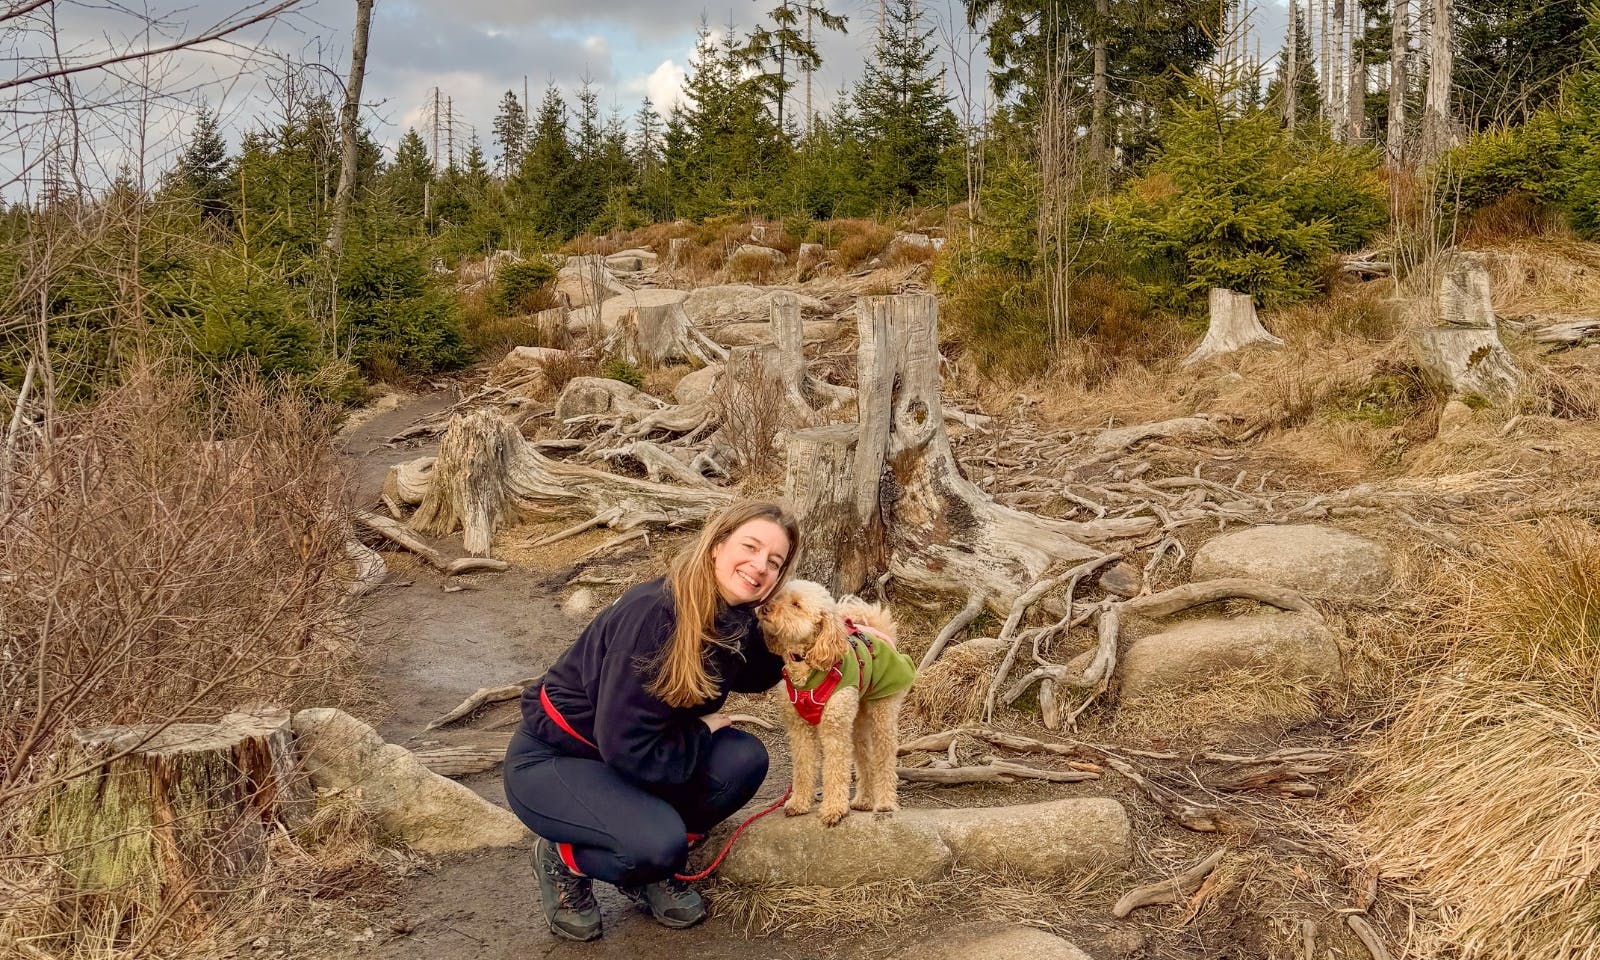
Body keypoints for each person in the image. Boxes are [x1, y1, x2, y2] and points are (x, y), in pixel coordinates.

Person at [503, 500, 799, 941]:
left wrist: (807, 642)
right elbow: (628, 748)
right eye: (750, 547)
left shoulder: (730, 614)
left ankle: (650, 861)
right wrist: (699, 732)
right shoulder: (656, 616)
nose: (759, 567)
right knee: (657, 845)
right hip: (556, 761)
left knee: (744, 759)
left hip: (628, 755)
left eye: (773, 562)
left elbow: (754, 672)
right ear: (717, 545)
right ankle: (564, 858)